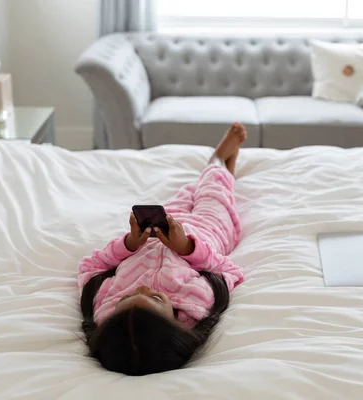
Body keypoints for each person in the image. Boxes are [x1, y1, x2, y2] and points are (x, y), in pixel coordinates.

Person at [78, 123, 247, 376]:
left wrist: (129, 245)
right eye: (156, 298)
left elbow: (91, 267)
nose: (143, 289)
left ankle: (218, 169)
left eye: (126, 298)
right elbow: (227, 269)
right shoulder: (195, 303)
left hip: (161, 230)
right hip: (208, 231)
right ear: (175, 324)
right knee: (214, 193)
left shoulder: (104, 306)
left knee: (187, 193)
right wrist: (187, 247)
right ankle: (219, 162)